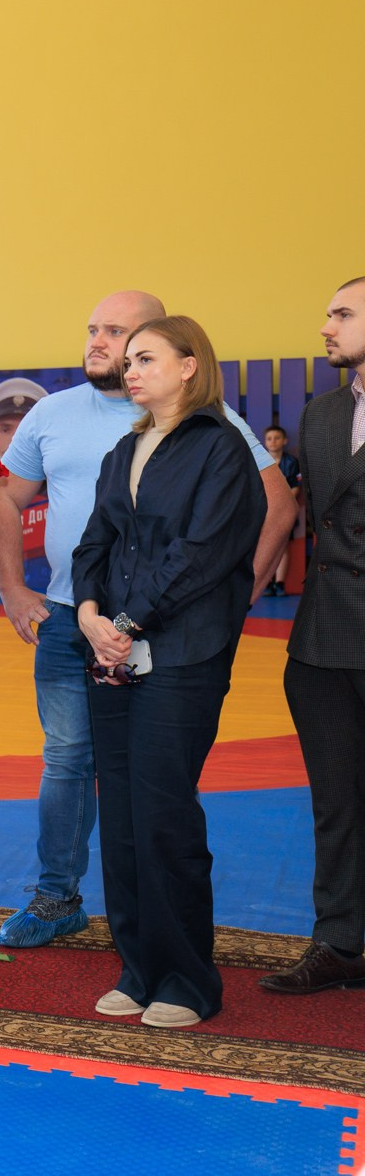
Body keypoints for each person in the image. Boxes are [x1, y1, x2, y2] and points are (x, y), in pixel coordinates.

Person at [0, 290, 294, 948]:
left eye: (121, 335)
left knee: (155, 776)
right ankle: (58, 898)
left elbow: (276, 504)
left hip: (164, 628)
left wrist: (233, 593)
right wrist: (12, 587)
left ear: (170, 352)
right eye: (94, 330)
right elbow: (6, 498)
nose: (102, 344)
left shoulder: (207, 426)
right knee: (67, 759)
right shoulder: (57, 414)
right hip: (73, 619)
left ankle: (164, 939)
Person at [74, 315, 263, 1029]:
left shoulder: (221, 447)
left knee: (163, 816)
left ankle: (187, 979)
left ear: (189, 366)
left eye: (146, 358)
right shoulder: (123, 449)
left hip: (181, 655)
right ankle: (139, 968)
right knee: (122, 818)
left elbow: (202, 553)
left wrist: (126, 624)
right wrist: (90, 614)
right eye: (127, 361)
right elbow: (94, 542)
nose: (130, 370)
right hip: (111, 651)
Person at [266, 276, 365, 996]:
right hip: (322, 641)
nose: (326, 326)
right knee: (336, 803)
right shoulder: (322, 412)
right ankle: (339, 942)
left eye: (343, 314)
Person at [261, 425, 302, 596]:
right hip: (264, 512)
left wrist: (281, 505)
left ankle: (279, 583)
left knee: (282, 547)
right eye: (269, 439)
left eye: (277, 438)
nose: (273, 442)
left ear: (284, 441)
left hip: (283, 511)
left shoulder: (291, 462)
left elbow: (295, 487)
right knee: (265, 547)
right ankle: (266, 582)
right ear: (265, 442)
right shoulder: (260, 462)